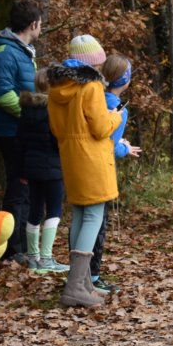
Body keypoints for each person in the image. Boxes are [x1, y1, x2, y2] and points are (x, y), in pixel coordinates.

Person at [46, 35, 122, 307]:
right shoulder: (91, 87)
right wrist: (116, 116)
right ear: (94, 62)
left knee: (80, 213)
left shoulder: (56, 88)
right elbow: (101, 128)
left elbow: (55, 129)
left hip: (70, 157)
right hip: (92, 158)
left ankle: (82, 282)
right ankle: (76, 286)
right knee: (93, 217)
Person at [0, 0, 42, 263]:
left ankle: (23, 248)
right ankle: (13, 250)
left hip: (24, 132)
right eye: (40, 24)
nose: (41, 28)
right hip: (13, 133)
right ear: (33, 24)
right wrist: (33, 114)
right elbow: (3, 94)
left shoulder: (23, 51)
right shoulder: (6, 52)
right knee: (18, 190)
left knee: (26, 189)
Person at [89, 54, 141, 294]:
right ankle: (93, 275)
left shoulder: (94, 98)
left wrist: (120, 143)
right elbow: (109, 145)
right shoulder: (118, 107)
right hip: (101, 170)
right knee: (98, 223)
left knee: (85, 221)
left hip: (85, 164)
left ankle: (83, 274)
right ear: (125, 80)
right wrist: (124, 148)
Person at [17, 68, 69, 274]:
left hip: (31, 168)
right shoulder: (54, 110)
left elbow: (20, 142)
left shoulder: (26, 109)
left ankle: (33, 258)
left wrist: (22, 170)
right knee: (54, 210)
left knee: (35, 210)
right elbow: (58, 141)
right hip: (52, 167)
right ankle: (46, 258)